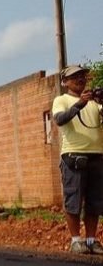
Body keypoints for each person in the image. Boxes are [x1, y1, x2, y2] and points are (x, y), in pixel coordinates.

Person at [51, 64, 103, 254]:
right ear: (65, 82)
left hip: (96, 156)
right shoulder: (62, 100)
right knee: (73, 199)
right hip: (74, 156)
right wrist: (79, 103)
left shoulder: (95, 102)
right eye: (75, 77)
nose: (80, 79)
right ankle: (75, 240)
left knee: (95, 201)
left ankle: (90, 240)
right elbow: (60, 119)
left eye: (82, 76)